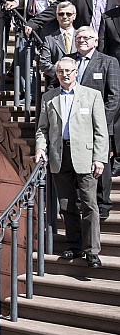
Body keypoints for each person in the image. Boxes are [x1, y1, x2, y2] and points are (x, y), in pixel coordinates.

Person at [35, 56, 109, 268]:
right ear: (56, 74)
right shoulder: (49, 97)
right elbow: (42, 128)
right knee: (66, 204)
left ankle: (92, 251)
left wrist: (99, 158)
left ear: (76, 72)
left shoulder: (92, 96)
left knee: (89, 204)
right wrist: (41, 147)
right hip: (60, 156)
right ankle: (75, 245)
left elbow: (100, 131)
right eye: (60, 72)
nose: (64, 75)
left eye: (68, 71)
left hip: (85, 156)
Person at [70, 26, 120, 220]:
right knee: (76, 162)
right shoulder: (69, 59)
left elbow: (114, 97)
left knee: (101, 164)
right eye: (79, 37)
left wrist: (100, 122)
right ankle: (80, 201)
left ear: (96, 41)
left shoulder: (108, 62)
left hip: (99, 124)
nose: (82, 40)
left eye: (87, 37)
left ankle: (103, 203)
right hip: (74, 124)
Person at [39, 1, 78, 81]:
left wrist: (75, 74)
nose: (64, 16)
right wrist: (60, 74)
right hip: (56, 83)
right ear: (57, 16)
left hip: (80, 81)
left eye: (68, 14)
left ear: (74, 16)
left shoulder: (81, 37)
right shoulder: (49, 39)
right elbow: (43, 63)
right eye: (61, 14)